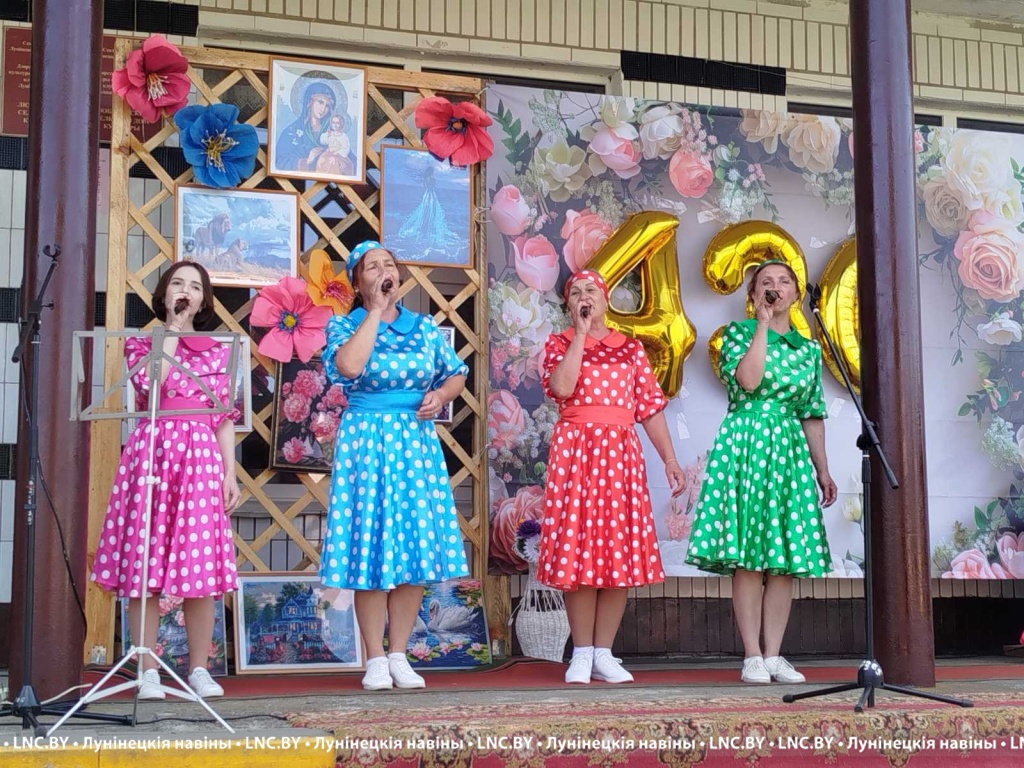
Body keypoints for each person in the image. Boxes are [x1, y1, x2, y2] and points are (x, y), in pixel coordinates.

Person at [320, 240, 470, 690]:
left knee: (414, 549)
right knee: (369, 550)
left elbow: (456, 372)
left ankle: (400, 654)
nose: (385, 271)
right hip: (367, 443)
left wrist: (440, 395)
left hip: (415, 443)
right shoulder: (343, 325)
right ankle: (375, 658)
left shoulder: (423, 326)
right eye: (373, 267)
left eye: (390, 264)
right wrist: (373, 311)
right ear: (358, 282)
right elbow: (349, 367)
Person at [90, 261, 241, 701]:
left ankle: (199, 669)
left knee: (200, 567)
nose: (185, 290)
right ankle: (148, 669)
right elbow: (151, 387)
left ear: (204, 301)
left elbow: (222, 417)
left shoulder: (218, 351)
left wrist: (229, 472)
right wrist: (172, 328)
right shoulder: (142, 343)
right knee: (145, 564)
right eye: (178, 283)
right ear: (164, 294)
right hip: (154, 453)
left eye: (194, 286)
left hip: (200, 457)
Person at [685, 260, 837, 685]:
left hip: (788, 451)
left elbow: (812, 413)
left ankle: (774, 655)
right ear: (753, 295)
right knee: (749, 557)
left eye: (784, 282)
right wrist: (763, 325)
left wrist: (822, 469)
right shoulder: (739, 334)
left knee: (783, 560)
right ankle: (751, 653)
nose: (775, 287)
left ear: (796, 294)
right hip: (747, 444)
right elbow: (749, 383)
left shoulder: (808, 350)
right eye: (765, 282)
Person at [540, 270, 685, 685]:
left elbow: (650, 409)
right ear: (569, 305)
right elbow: (562, 388)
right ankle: (581, 652)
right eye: (576, 293)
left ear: (606, 300)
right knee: (581, 551)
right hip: (577, 454)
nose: (584, 296)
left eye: (592, 291)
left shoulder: (631, 349)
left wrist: (670, 460)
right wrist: (581, 336)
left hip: (620, 456)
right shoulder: (559, 343)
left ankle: (603, 652)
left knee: (617, 552)